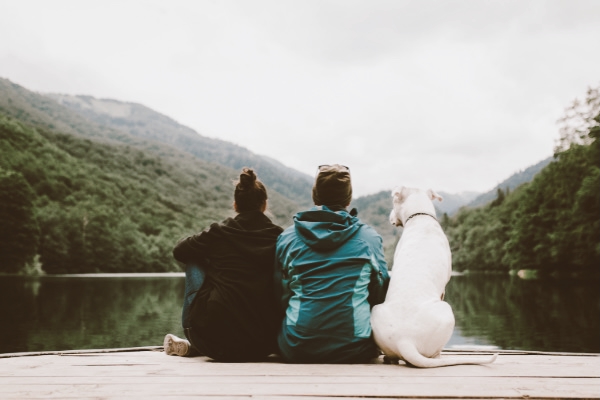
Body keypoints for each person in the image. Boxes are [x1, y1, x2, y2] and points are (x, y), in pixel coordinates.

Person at [164, 167, 283, 362]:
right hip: (265, 344)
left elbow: (180, 251)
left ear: (235, 204)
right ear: (264, 205)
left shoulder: (218, 232)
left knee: (194, 258)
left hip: (212, 342)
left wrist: (212, 260)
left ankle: (192, 339)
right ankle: (196, 345)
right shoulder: (278, 237)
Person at [275, 164, 390, 363]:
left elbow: (280, 292)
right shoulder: (369, 238)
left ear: (315, 196)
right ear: (348, 198)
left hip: (297, 345)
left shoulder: (287, 238)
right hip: (355, 347)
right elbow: (381, 290)